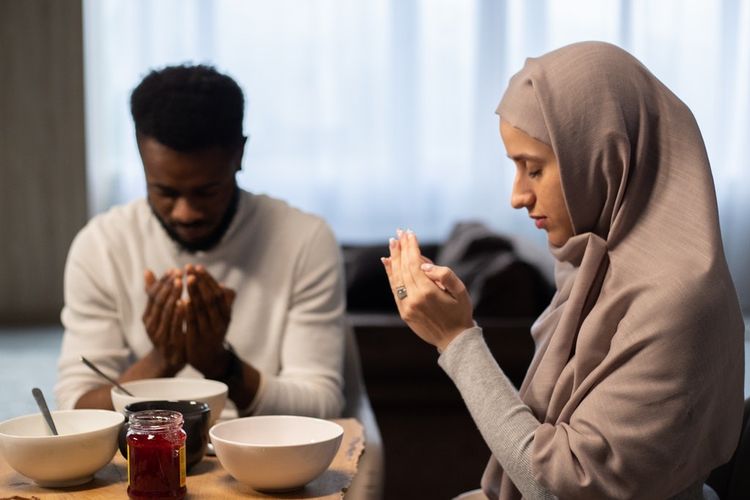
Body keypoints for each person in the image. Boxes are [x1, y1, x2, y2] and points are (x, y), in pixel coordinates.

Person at [382, 41, 745, 499]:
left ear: (603, 156)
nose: (517, 195)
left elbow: (561, 489)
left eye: (533, 169)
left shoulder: (677, 303)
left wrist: (457, 340)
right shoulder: (592, 267)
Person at [55, 64, 346, 419]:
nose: (185, 213)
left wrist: (221, 364)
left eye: (206, 191)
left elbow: (323, 406)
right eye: (164, 191)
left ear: (239, 154)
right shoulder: (100, 246)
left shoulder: (304, 240)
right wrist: (162, 359)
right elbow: (75, 408)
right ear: (141, 156)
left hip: (269, 455)